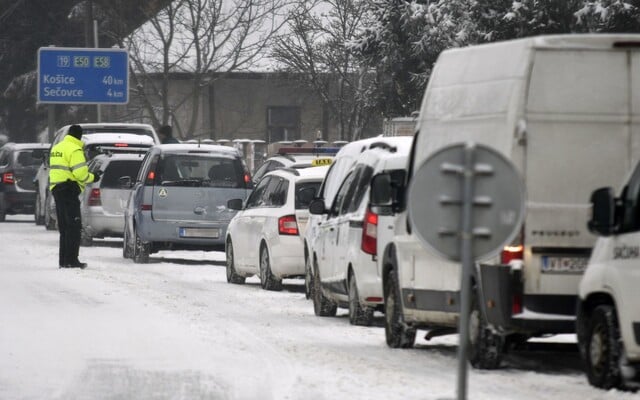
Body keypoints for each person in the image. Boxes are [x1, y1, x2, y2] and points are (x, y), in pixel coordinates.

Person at [48, 125, 100, 269]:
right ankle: (72, 260)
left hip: (56, 189)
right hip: (69, 190)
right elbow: (81, 174)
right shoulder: (75, 149)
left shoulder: (57, 148)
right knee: (74, 227)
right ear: (79, 136)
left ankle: (63, 260)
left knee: (64, 227)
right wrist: (94, 176)